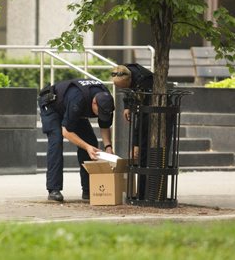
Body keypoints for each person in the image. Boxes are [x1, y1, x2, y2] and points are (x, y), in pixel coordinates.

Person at [38, 79, 115, 202]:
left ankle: (88, 190)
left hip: (70, 108)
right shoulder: (78, 99)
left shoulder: (106, 101)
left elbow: (105, 125)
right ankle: (54, 189)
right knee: (56, 141)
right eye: (98, 113)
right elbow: (66, 132)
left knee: (90, 141)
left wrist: (108, 147)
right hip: (51, 105)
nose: (100, 116)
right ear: (94, 103)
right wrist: (87, 147)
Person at [111, 64, 154, 199]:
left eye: (123, 86)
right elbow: (128, 93)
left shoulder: (144, 82)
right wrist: (127, 106)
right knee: (141, 155)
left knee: (144, 155)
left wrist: (136, 145)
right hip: (144, 114)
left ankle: (143, 194)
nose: (121, 90)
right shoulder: (125, 71)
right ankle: (141, 193)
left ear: (130, 81)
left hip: (152, 114)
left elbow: (142, 119)